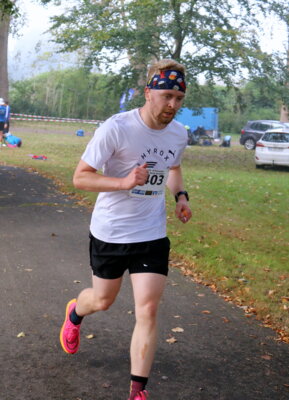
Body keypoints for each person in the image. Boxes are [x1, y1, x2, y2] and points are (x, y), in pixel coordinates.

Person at [59, 59, 192, 400]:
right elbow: (80, 177)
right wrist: (123, 181)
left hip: (151, 233)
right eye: (166, 96)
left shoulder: (179, 132)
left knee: (147, 309)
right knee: (102, 300)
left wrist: (180, 196)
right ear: (149, 93)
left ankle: (137, 391)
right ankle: (75, 312)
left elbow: (173, 167)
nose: (173, 105)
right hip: (111, 232)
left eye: (179, 98)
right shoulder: (116, 128)